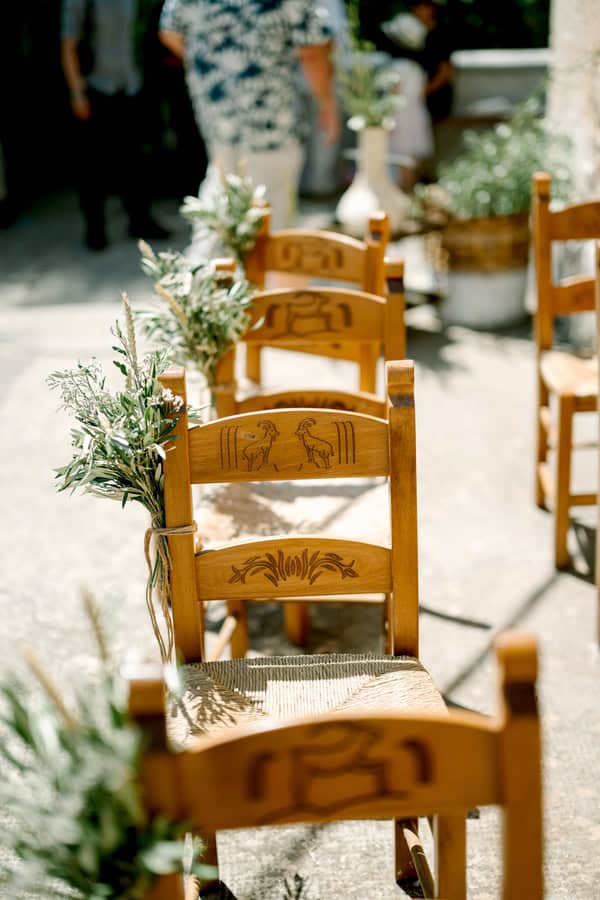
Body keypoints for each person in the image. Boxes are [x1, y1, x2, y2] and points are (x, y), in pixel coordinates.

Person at [158, 0, 340, 234]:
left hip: (217, 116)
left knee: (222, 205)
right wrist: (327, 104)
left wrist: (214, 64)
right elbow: (312, 51)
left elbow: (169, 32)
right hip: (273, 123)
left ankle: (208, 268)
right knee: (273, 217)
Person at [61, 0, 169, 250]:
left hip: (131, 84)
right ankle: (95, 228)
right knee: (93, 164)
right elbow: (68, 46)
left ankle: (140, 221)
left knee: (135, 159)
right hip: (96, 87)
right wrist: (77, 92)